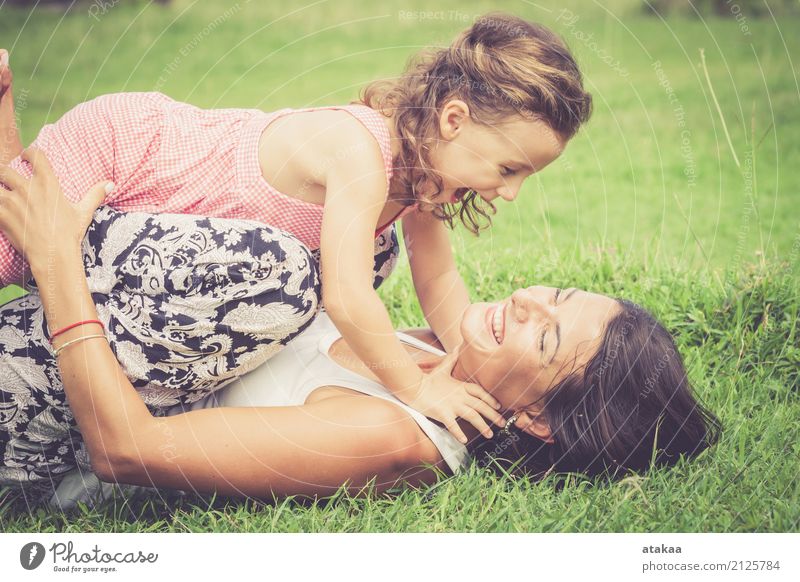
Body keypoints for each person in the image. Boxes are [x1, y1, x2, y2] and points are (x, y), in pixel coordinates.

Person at [0, 151, 720, 510]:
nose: (529, 301)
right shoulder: (438, 357)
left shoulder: (396, 438)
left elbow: (127, 451)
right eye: (557, 294)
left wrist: (59, 262)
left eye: (548, 338)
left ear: (535, 418)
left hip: (41, 435)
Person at [0, 12, 593, 443]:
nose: (510, 191)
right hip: (132, 155)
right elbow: (346, 294)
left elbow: (438, 280)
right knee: (15, 246)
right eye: (509, 168)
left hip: (184, 235)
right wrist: (417, 389)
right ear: (455, 119)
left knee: (30, 254)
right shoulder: (359, 152)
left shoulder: (424, 182)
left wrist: (470, 364)